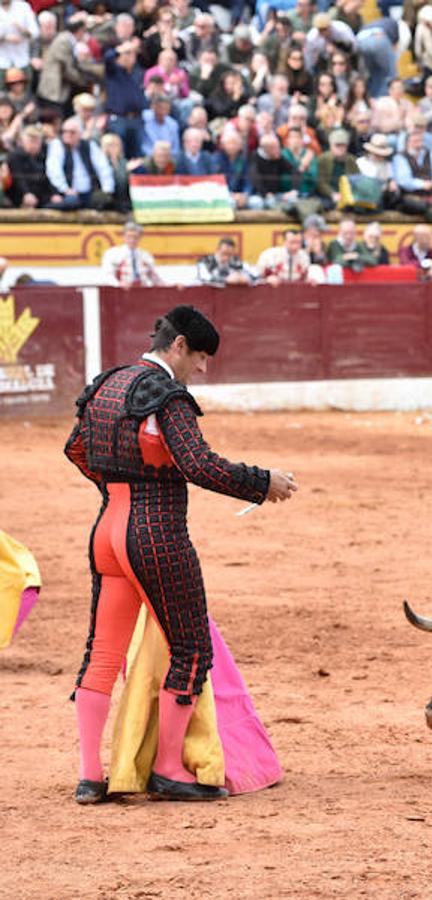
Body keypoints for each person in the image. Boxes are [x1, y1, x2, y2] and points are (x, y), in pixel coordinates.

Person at [63, 306, 298, 803]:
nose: (203, 368)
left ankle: (89, 775)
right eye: (201, 357)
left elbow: (76, 449)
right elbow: (198, 464)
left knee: (102, 652)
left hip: (107, 529)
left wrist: (117, 484)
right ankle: (169, 768)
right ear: (178, 347)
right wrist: (262, 483)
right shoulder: (167, 395)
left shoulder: (107, 383)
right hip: (155, 533)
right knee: (191, 649)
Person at [102, 221, 164, 288]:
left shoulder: (146, 255)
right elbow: (107, 276)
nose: (132, 240)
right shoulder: (112, 253)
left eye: (135, 237)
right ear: (123, 236)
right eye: (129, 237)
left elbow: (155, 278)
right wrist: (119, 284)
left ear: (140, 237)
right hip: (119, 292)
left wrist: (172, 286)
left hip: (141, 292)